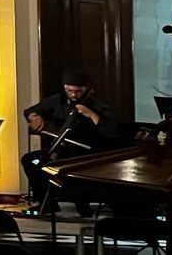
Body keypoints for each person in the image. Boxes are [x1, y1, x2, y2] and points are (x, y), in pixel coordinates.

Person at [23, 67, 111, 216]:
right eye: (70, 91)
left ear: (86, 88)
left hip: (85, 154)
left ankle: (83, 205)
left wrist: (91, 114)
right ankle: (48, 203)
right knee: (31, 161)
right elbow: (29, 111)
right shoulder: (57, 100)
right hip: (59, 150)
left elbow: (109, 130)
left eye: (78, 91)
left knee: (77, 170)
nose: (74, 95)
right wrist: (34, 116)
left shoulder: (97, 105)